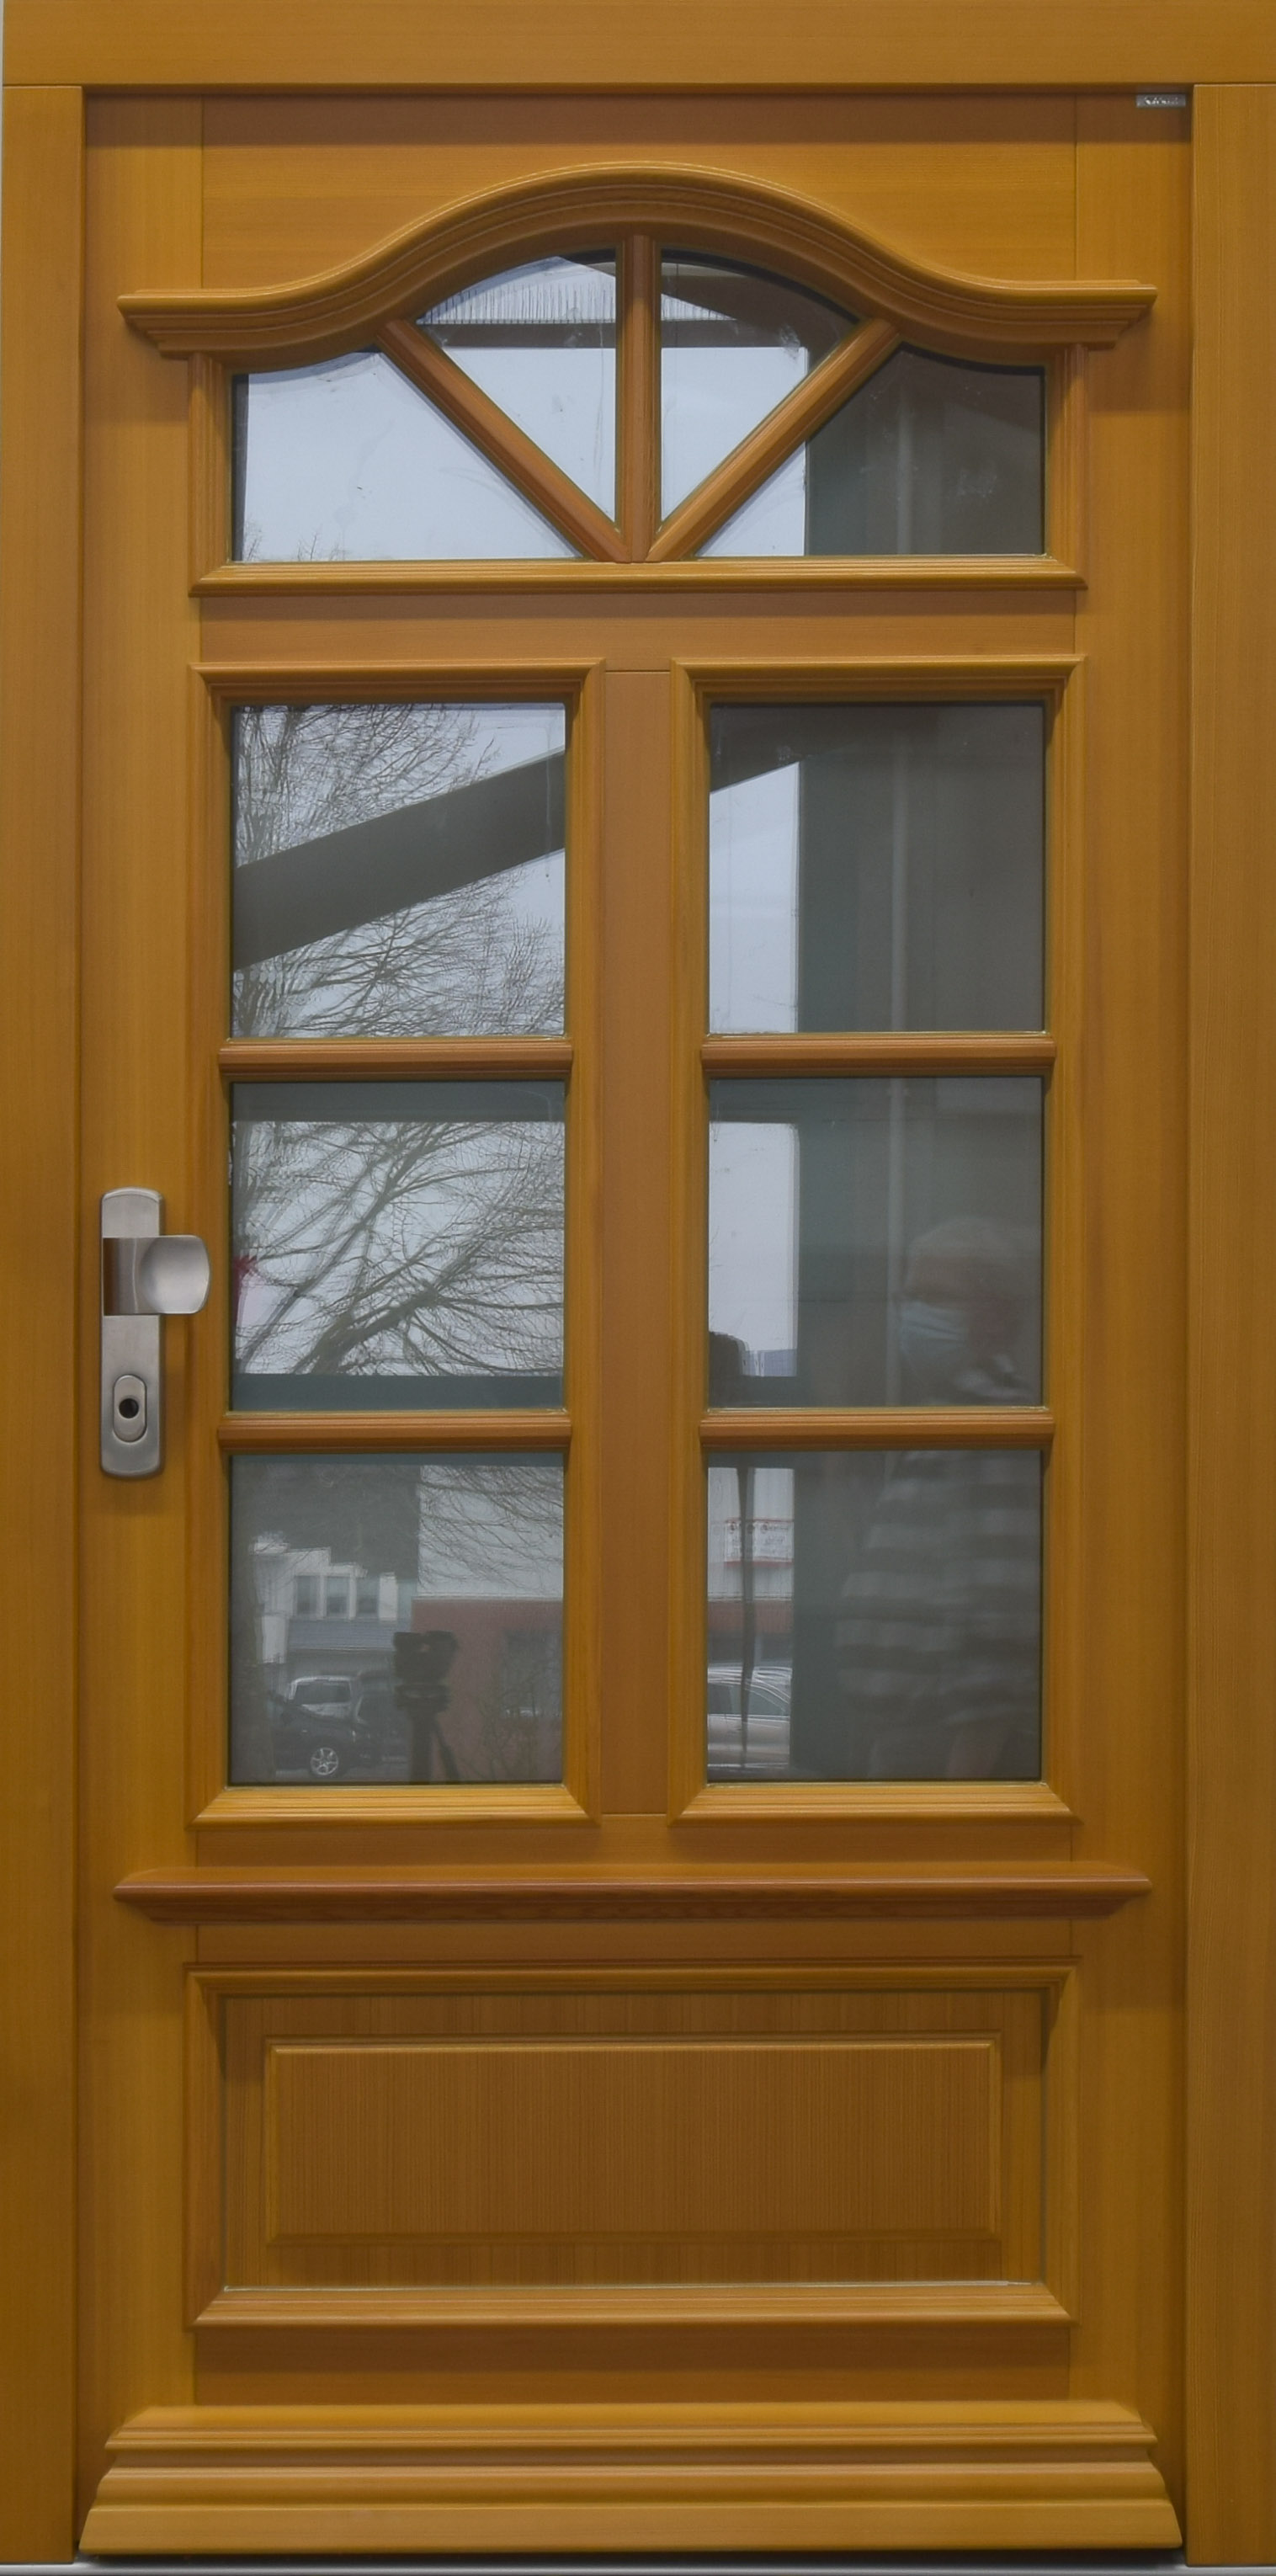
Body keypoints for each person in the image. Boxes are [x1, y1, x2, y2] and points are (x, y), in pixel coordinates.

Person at [837, 1216, 1040, 1779]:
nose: (911, 1313)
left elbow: (994, 1623)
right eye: (908, 1297)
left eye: (933, 1297)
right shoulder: (950, 1419)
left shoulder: (992, 1427)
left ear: (994, 1314)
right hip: (915, 1743)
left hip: (948, 1755)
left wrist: (960, 1793)